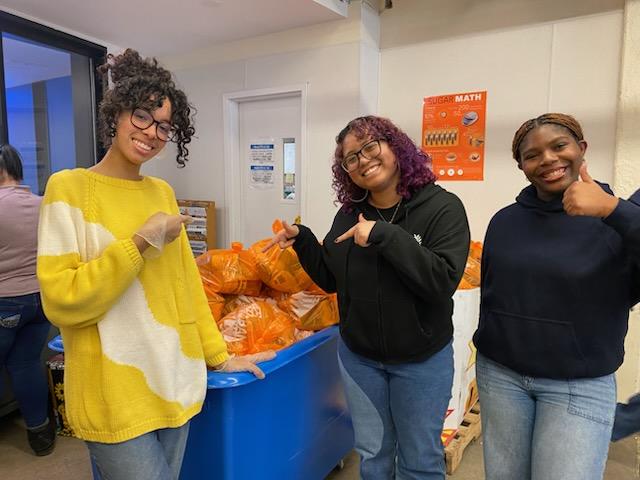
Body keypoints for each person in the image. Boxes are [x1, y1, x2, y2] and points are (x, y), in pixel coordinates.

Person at [36, 49, 273, 480]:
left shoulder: (161, 192)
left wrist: (218, 358)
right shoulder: (68, 188)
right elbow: (61, 301)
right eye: (143, 116)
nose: (153, 133)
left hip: (174, 381)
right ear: (117, 112)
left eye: (165, 125)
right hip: (113, 393)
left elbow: (185, 286)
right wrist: (140, 242)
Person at [264, 115, 470, 479]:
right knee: (373, 456)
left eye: (371, 147)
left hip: (421, 361)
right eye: (351, 158)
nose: (363, 160)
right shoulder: (349, 213)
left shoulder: (442, 207)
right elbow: (331, 278)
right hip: (361, 359)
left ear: (396, 147)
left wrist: (385, 236)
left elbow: (442, 281)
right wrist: (305, 240)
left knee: (419, 460)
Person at [473, 113, 640, 480]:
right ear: (522, 167)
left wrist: (614, 211)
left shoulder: (617, 220)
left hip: (577, 383)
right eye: (532, 155)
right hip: (501, 377)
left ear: (581, 149)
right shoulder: (505, 221)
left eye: (559, 146)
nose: (547, 159)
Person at [0, 144, 56, 456]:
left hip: (5, 301)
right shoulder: (44, 204)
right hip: (41, 300)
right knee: (25, 364)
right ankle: (41, 435)